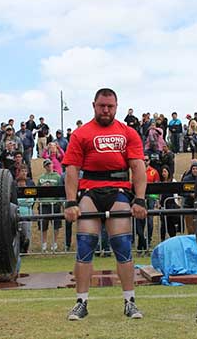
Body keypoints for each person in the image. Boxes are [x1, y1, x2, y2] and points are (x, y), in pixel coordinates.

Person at [62, 88, 146, 320]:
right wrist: (70, 202)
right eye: (102, 106)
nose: (106, 110)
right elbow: (71, 169)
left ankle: (130, 302)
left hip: (119, 191)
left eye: (110, 106)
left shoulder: (128, 132)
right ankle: (81, 303)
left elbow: (138, 167)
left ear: (116, 107)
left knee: (122, 246)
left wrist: (139, 200)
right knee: (85, 244)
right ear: (94, 106)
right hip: (90, 191)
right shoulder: (81, 134)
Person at [135, 155, 159, 254]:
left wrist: (157, 199)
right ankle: (142, 243)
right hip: (140, 199)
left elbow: (158, 186)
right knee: (139, 222)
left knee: (149, 222)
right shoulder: (137, 172)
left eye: (147, 160)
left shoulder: (154, 172)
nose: (145, 162)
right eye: (143, 160)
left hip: (151, 199)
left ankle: (148, 241)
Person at [37, 159, 62, 252]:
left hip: (54, 203)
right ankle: (44, 243)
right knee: (44, 225)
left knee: (56, 224)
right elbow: (37, 190)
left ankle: (54, 243)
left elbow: (60, 189)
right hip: (44, 203)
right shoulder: (41, 177)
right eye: (47, 165)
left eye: (50, 164)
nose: (49, 166)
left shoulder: (57, 177)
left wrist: (59, 202)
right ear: (44, 167)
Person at [159, 165, 180, 241]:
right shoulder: (160, 182)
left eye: (165, 171)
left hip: (171, 204)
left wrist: (177, 202)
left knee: (171, 224)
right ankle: (162, 239)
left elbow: (176, 193)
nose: (163, 173)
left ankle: (173, 238)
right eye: (162, 172)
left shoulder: (173, 181)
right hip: (163, 205)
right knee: (163, 224)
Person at [181, 162, 197, 234]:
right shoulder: (186, 179)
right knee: (190, 227)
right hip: (188, 205)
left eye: (196, 169)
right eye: (193, 169)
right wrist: (189, 194)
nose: (195, 170)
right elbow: (182, 191)